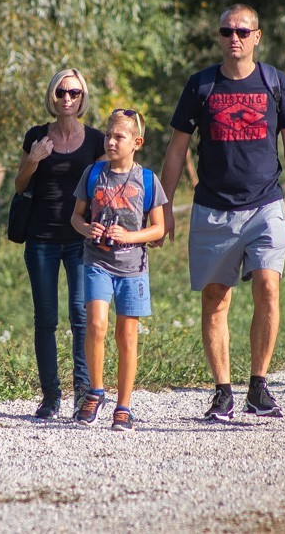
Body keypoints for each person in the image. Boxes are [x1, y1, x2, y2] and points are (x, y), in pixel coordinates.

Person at [158, 4, 285, 421]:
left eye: (243, 31)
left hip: (265, 204)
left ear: (257, 37)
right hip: (213, 208)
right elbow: (176, 148)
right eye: (227, 31)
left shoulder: (274, 83)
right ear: (220, 37)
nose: (235, 38)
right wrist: (164, 206)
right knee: (215, 297)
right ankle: (223, 391)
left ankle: (258, 387)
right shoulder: (201, 85)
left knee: (268, 285)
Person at [14, 69, 105, 419]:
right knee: (46, 319)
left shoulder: (97, 140)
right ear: (53, 97)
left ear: (83, 98)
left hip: (81, 240)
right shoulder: (36, 136)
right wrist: (34, 159)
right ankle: (51, 397)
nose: (67, 98)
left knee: (82, 317)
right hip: (41, 239)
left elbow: (103, 189)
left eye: (74, 92)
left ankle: (84, 394)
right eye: (61, 92)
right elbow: (19, 186)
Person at [70, 109, 166, 431]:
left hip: (133, 269)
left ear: (136, 142)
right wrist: (88, 230)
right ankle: (95, 392)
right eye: (108, 135)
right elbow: (76, 217)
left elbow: (158, 229)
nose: (110, 141)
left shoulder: (148, 180)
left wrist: (130, 236)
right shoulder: (94, 174)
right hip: (96, 263)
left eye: (119, 137)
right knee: (95, 324)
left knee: (126, 336)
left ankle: (123, 406)